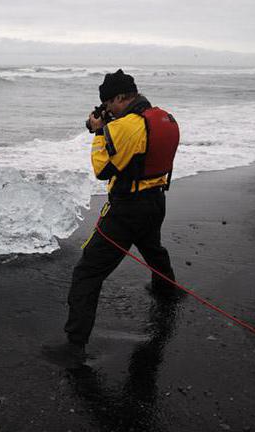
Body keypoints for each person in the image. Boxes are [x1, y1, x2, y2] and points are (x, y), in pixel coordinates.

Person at [42, 69, 181, 367]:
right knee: (151, 246)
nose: (106, 110)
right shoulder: (163, 117)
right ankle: (167, 289)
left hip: (127, 209)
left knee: (87, 273)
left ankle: (74, 346)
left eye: (108, 103)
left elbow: (102, 170)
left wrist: (98, 132)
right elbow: (141, 153)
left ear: (120, 97)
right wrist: (110, 125)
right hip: (157, 200)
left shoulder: (122, 128)